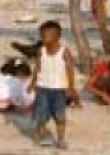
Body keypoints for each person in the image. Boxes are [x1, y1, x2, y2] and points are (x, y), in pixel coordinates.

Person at [29, 20, 79, 148]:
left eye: (47, 35)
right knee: (41, 114)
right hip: (42, 88)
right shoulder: (41, 51)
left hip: (59, 89)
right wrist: (33, 83)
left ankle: (61, 139)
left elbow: (70, 70)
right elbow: (37, 68)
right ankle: (40, 136)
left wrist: (71, 87)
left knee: (60, 115)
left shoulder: (64, 52)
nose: (43, 37)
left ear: (57, 36)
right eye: (42, 35)